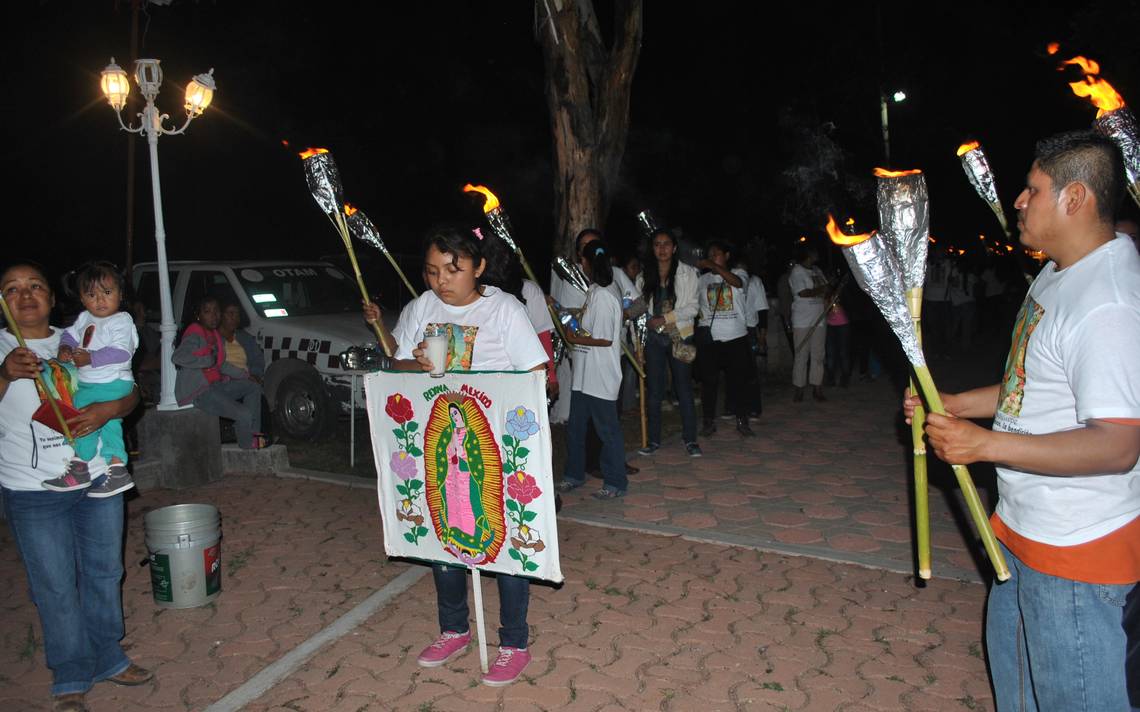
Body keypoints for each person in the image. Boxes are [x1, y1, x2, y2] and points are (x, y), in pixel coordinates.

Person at [904, 131, 1140, 711]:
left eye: (1032, 189)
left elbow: (1117, 445)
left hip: (1076, 552)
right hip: (1021, 532)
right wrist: (956, 404)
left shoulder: (1108, 303)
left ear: (1075, 198)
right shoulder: (1060, 273)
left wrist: (984, 446)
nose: (1017, 201)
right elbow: (1026, 389)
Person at [364, 225, 548, 686]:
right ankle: (453, 629)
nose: (441, 280)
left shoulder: (504, 310)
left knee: (503, 540)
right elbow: (400, 363)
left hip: (491, 447)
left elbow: (536, 374)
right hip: (439, 442)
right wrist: (419, 362)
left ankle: (514, 641)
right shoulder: (421, 308)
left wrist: (479, 379)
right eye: (431, 271)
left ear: (479, 266)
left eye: (453, 269)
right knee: (442, 536)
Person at [0, 262, 152, 712]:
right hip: (32, 490)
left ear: (51, 296)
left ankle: (108, 656)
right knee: (55, 585)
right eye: (12, 289)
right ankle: (70, 673)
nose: (25, 296)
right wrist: (6, 374)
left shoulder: (81, 332)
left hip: (97, 476)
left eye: (35, 286)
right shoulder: (3, 347)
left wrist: (109, 411)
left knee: (105, 571)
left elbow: (132, 394)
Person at [41, 262, 138, 498]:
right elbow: (70, 335)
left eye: (107, 293)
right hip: (92, 383)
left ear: (120, 294)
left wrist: (91, 358)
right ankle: (113, 468)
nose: (100, 300)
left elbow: (121, 352)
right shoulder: (84, 318)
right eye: (91, 295)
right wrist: (66, 347)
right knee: (103, 424)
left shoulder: (121, 320)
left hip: (112, 381)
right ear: (82, 299)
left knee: (82, 418)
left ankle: (82, 464)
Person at [557, 239, 627, 498]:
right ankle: (574, 474)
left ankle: (616, 482)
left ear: (586, 263)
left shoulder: (606, 294)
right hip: (584, 376)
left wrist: (574, 339)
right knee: (576, 429)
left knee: (607, 432)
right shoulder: (595, 291)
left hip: (601, 377)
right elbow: (591, 328)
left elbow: (605, 338)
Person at [172, 296, 267, 450]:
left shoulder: (215, 336)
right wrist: (206, 360)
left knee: (253, 387)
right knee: (243, 413)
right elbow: (178, 357)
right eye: (207, 311)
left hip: (216, 385)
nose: (213, 315)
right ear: (199, 315)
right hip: (200, 392)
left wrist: (247, 376)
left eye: (216, 311)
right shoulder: (195, 334)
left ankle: (255, 436)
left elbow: (221, 365)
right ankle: (247, 443)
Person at [639, 229, 701, 457]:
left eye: (666, 244)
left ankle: (690, 440)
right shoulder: (645, 275)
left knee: (683, 389)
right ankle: (653, 440)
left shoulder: (688, 273)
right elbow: (640, 306)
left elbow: (693, 308)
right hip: (654, 339)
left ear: (674, 248)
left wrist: (664, 318)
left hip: (679, 334)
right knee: (654, 391)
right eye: (657, 244)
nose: (662, 248)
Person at [695, 240, 754, 437]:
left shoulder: (739, 273)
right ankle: (708, 421)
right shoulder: (701, 280)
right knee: (709, 383)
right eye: (710, 255)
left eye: (716, 254)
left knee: (738, 381)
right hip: (710, 338)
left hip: (735, 336)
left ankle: (742, 419)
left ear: (727, 256)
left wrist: (714, 267)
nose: (712, 258)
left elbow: (737, 284)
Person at [788, 244, 828, 402]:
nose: (817, 253)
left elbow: (827, 288)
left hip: (819, 318)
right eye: (814, 251)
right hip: (802, 319)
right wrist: (822, 289)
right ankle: (799, 388)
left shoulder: (817, 271)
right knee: (801, 354)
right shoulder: (797, 271)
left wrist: (825, 289)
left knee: (818, 354)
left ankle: (817, 387)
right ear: (807, 254)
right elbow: (803, 293)